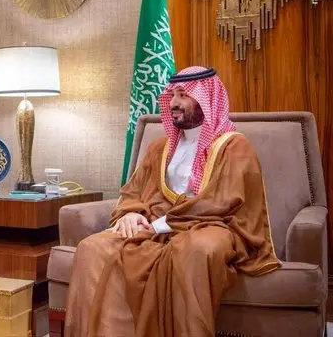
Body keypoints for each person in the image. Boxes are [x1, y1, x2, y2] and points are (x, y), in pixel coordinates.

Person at [64, 66, 281, 337]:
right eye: (172, 95)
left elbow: (223, 203)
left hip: (212, 225)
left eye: (183, 95)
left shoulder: (234, 147)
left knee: (197, 250)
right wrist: (131, 213)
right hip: (154, 224)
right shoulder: (160, 147)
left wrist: (163, 224)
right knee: (92, 248)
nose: (174, 103)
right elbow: (134, 190)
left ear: (205, 99)